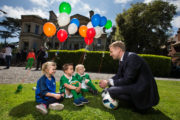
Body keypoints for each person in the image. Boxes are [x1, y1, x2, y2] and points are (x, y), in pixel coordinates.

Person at [99, 41, 159, 112]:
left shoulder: (132, 58)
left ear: (118, 49)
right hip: (135, 86)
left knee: (111, 90)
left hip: (143, 90)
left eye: (111, 52)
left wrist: (108, 83)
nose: (110, 54)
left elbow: (128, 79)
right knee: (111, 88)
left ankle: (141, 105)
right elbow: (118, 75)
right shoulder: (123, 59)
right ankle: (132, 102)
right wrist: (107, 81)